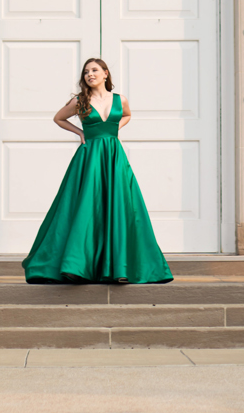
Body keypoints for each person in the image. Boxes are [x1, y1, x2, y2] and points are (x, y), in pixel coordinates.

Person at [22, 57, 174, 285]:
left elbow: (127, 115)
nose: (89, 75)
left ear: (105, 73)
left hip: (114, 156)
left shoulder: (119, 99)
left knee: (119, 206)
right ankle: (76, 266)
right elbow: (58, 118)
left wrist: (113, 130)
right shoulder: (80, 100)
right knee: (85, 207)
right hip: (90, 158)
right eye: (86, 72)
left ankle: (120, 268)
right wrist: (81, 133)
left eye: (94, 70)